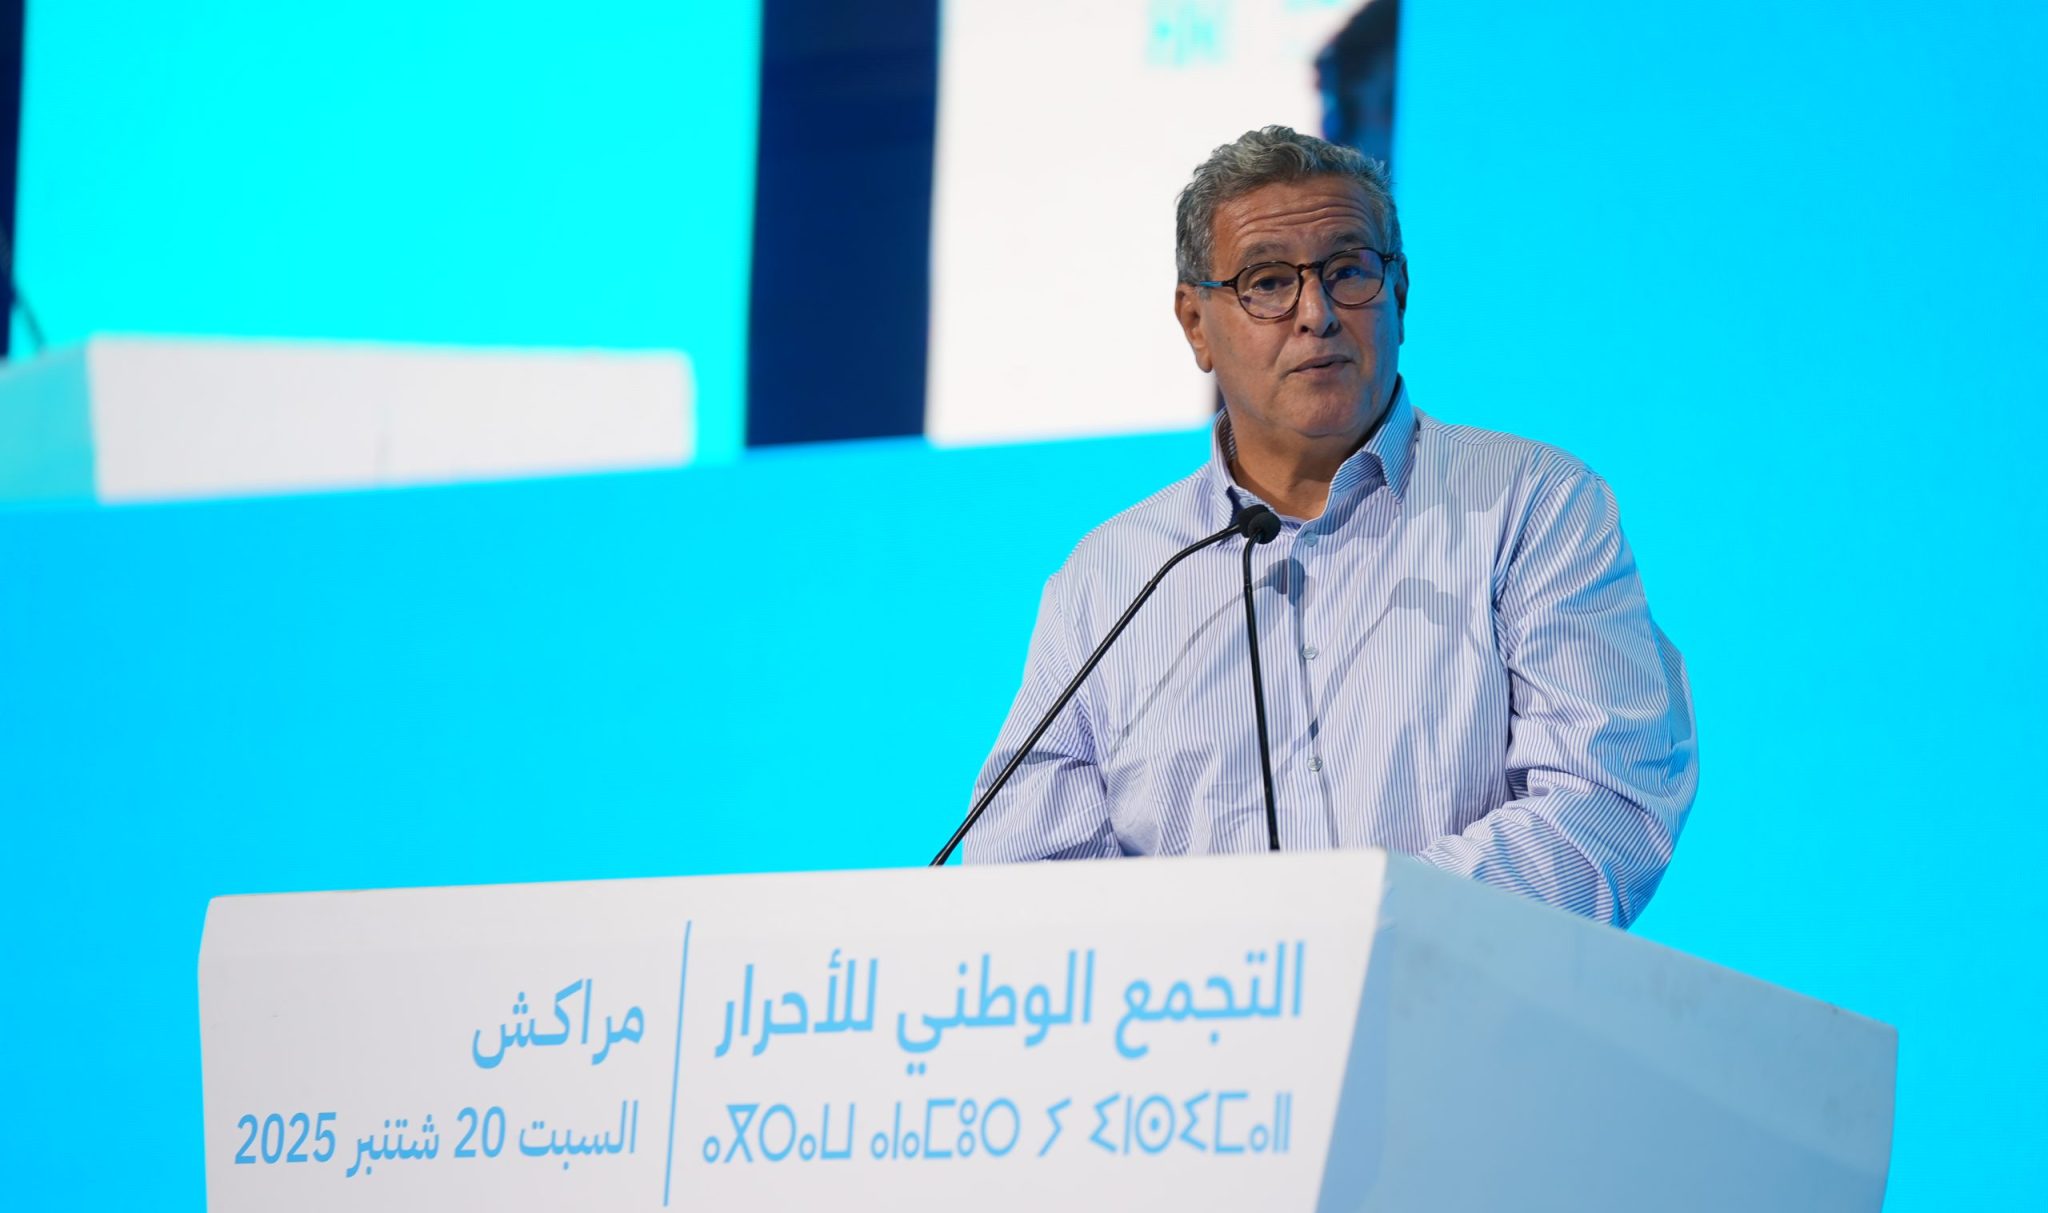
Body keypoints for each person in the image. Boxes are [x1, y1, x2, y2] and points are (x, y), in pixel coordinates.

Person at [961, 125, 1697, 929]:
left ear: (1399, 292)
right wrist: (1225, 970)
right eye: (1268, 282)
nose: (1316, 314)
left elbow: (1601, 808)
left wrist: (1343, 935)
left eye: (1348, 271)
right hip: (1193, 1009)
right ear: (1196, 324)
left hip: (1450, 1001)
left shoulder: (1532, 505)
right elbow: (1028, 869)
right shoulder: (1112, 577)